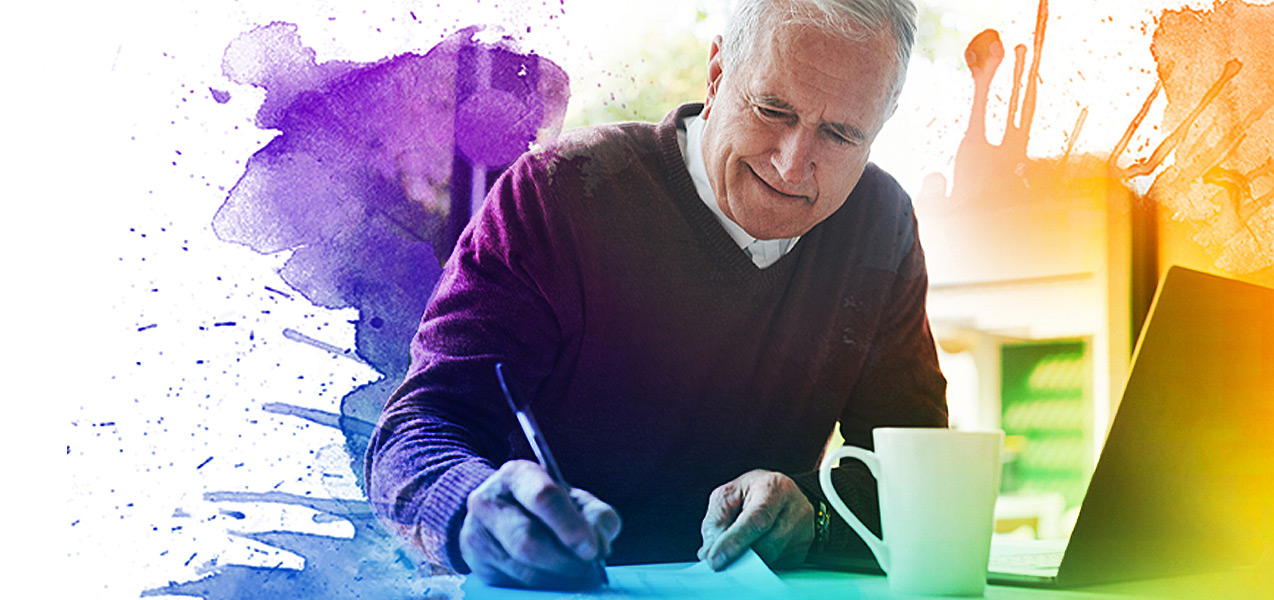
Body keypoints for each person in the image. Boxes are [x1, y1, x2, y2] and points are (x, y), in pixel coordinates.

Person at [362, 0, 947, 590]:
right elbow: (420, 426)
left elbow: (921, 473)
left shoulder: (881, 224)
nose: (794, 166)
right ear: (717, 75)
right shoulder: (559, 192)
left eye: (842, 134)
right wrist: (469, 510)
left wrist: (816, 516)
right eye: (773, 110)